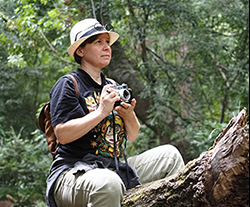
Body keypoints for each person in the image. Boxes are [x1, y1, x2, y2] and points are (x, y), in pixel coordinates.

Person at [46, 18, 185, 207]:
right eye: (98, 42)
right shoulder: (69, 84)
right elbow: (62, 134)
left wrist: (128, 115)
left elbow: (133, 135)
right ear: (80, 50)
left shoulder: (113, 86)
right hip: (71, 173)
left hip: (113, 167)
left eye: (107, 42)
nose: (106, 47)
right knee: (108, 183)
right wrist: (102, 111)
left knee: (170, 156)